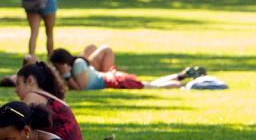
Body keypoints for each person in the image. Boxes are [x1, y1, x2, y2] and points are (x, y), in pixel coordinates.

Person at [50, 46, 202, 90]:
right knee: (150, 83)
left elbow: (82, 87)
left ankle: (185, 85)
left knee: (152, 86)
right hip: (112, 78)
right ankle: (181, 75)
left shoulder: (77, 65)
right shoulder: (78, 64)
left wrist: (66, 75)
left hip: (113, 80)